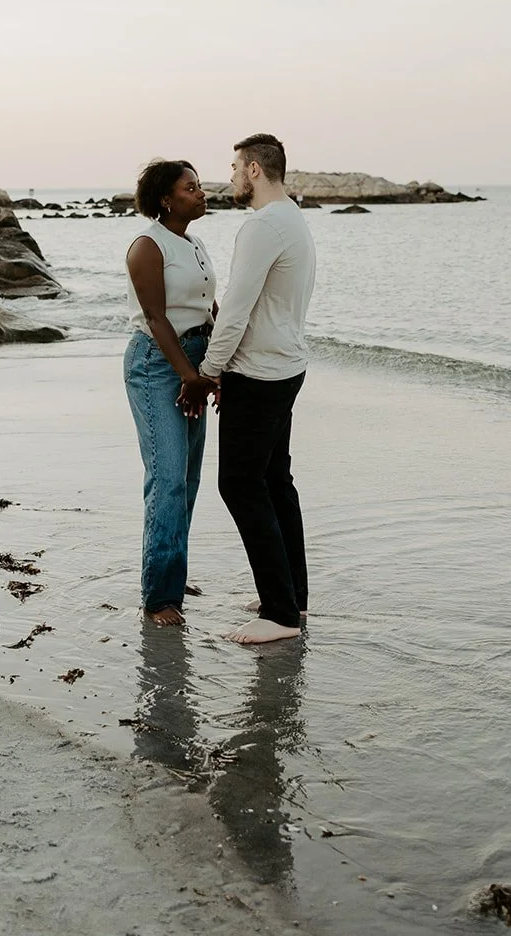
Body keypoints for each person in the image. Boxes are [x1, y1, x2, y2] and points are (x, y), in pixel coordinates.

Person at [179, 134, 315, 645]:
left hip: (258, 372)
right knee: (275, 482)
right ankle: (292, 598)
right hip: (286, 365)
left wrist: (210, 371)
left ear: (255, 169)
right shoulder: (293, 217)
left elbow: (235, 309)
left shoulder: (261, 225)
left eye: (237, 167)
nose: (232, 176)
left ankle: (280, 613)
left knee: (239, 485)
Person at [124, 159, 219, 625]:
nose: (201, 193)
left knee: (189, 476)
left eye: (199, 186)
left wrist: (216, 369)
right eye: (190, 187)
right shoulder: (147, 245)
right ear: (166, 198)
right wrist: (187, 375)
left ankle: (173, 571)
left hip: (195, 365)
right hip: (157, 367)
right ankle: (159, 596)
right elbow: (156, 318)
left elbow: (208, 308)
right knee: (166, 476)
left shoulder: (195, 243)